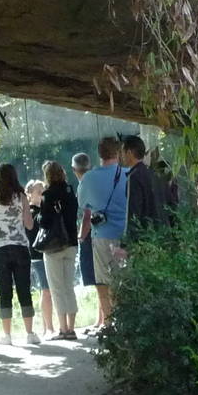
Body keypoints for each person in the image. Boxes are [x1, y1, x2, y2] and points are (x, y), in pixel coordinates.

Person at [0, 162, 40, 346]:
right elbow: (30, 225)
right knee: (24, 289)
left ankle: (7, 336)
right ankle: (30, 333)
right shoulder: (22, 197)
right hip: (20, 247)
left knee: (4, 292)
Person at [78, 137, 129, 328]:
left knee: (102, 281)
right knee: (124, 280)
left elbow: (84, 205)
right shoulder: (128, 174)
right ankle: (125, 321)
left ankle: (108, 323)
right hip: (125, 235)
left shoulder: (88, 178)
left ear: (99, 154)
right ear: (119, 153)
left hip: (101, 235)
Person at [36, 160, 80, 339]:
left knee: (57, 288)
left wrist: (39, 214)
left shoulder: (48, 194)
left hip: (54, 246)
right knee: (69, 286)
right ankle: (72, 327)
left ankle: (62, 329)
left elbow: (44, 221)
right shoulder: (70, 191)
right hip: (71, 242)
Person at [122, 135, 171, 242]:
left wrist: (127, 242)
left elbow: (133, 211)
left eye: (123, 152)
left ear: (129, 153)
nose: (121, 156)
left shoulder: (134, 177)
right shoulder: (155, 174)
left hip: (146, 237)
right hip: (164, 233)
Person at [24, 179, 55, 337]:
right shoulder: (30, 212)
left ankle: (46, 327)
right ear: (29, 194)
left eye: (43, 191)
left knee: (48, 290)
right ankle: (49, 327)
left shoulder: (43, 209)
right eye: (38, 191)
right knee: (46, 290)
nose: (42, 194)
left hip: (46, 254)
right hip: (38, 255)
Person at [71, 151, 97, 302]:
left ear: (74, 170)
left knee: (94, 277)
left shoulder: (84, 186)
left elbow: (87, 215)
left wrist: (81, 236)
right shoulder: (96, 182)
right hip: (101, 233)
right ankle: (102, 316)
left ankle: (103, 317)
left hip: (89, 235)